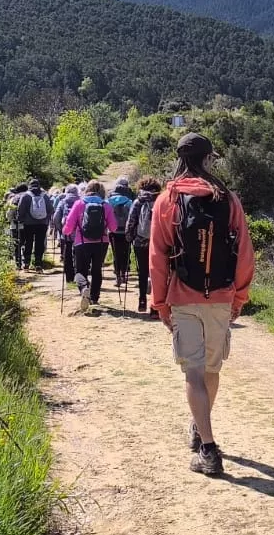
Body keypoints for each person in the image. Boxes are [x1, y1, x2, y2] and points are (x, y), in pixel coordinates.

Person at [150, 133, 253, 476]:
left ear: (179, 158)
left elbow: (158, 258)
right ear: (209, 159)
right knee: (211, 370)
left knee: (193, 373)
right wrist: (239, 297)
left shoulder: (167, 200)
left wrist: (161, 304)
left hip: (183, 297)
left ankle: (208, 448)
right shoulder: (229, 199)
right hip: (221, 297)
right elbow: (244, 252)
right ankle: (201, 428)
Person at [63, 181, 116, 315]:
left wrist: (65, 231)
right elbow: (114, 227)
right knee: (97, 269)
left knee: (80, 270)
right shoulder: (106, 205)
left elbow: (68, 228)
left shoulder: (79, 204)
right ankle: (94, 298)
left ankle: (84, 289)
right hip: (101, 242)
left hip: (82, 243)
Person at [124, 176, 163, 314]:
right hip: (158, 243)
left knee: (142, 272)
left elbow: (131, 222)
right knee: (156, 274)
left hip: (140, 242)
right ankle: (155, 307)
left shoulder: (138, 202)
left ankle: (142, 300)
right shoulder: (160, 201)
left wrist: (129, 237)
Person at [13, 179, 55, 272]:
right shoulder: (45, 196)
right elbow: (51, 210)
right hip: (42, 224)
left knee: (28, 243)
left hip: (28, 224)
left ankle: (26, 264)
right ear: (39, 185)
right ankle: (38, 264)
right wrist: (45, 218)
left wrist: (21, 220)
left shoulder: (25, 196)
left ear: (29, 186)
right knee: (39, 243)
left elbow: (20, 210)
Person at [108, 177, 137, 286]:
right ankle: (124, 274)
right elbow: (133, 217)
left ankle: (117, 276)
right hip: (126, 231)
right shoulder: (129, 201)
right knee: (126, 252)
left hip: (113, 231)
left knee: (116, 253)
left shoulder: (109, 200)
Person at [52, 184, 82, 284]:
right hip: (80, 234)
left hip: (66, 234)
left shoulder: (62, 202)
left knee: (67, 255)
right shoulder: (82, 201)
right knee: (79, 255)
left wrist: (60, 230)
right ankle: (79, 277)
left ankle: (69, 278)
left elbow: (56, 217)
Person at [4, 182, 30, 269]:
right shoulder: (29, 197)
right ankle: (27, 262)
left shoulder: (13, 198)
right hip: (27, 225)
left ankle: (18, 264)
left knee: (16, 244)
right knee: (27, 243)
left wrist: (10, 221)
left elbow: (9, 213)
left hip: (15, 225)